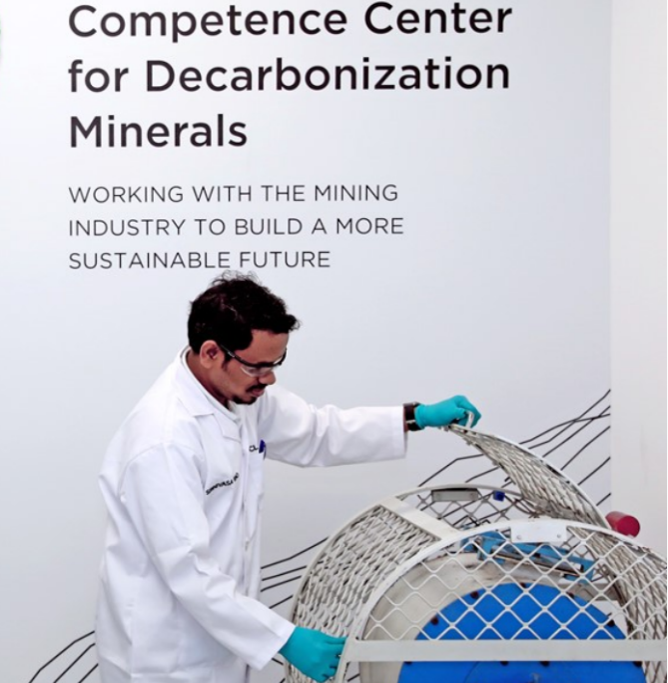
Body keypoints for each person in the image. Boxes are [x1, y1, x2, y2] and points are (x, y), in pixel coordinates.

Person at [94, 272, 481, 683]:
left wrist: (414, 417)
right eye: (258, 366)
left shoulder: (238, 393)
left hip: (218, 641)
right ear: (210, 352)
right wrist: (282, 639)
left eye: (276, 363)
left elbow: (316, 432)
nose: (270, 378)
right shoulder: (164, 440)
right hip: (164, 655)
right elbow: (188, 568)